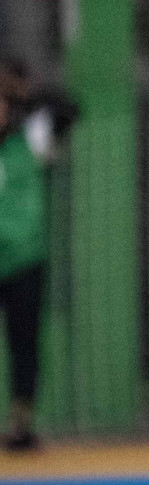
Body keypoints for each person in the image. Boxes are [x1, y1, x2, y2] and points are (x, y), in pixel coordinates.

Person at [0, 61, 76, 452]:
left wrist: (23, 93)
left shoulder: (30, 140)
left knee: (24, 344)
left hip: (24, 259)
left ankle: (21, 427)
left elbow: (68, 108)